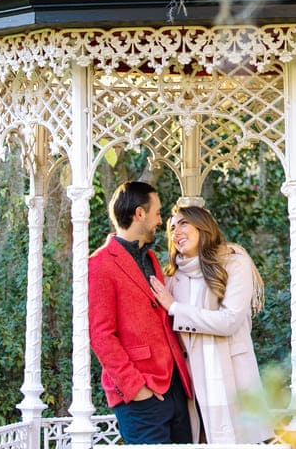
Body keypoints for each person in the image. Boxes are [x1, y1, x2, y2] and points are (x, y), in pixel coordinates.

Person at [150, 204, 268, 443]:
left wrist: (175, 308)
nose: (176, 232)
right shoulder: (173, 276)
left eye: (183, 223)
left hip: (232, 376)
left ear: (202, 225)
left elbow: (229, 321)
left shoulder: (234, 261)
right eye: (172, 228)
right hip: (192, 384)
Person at [89, 181, 195, 445]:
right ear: (139, 213)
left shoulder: (151, 258)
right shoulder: (100, 264)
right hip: (141, 396)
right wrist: (136, 388)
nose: (161, 221)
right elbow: (101, 335)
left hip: (175, 388)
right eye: (157, 213)